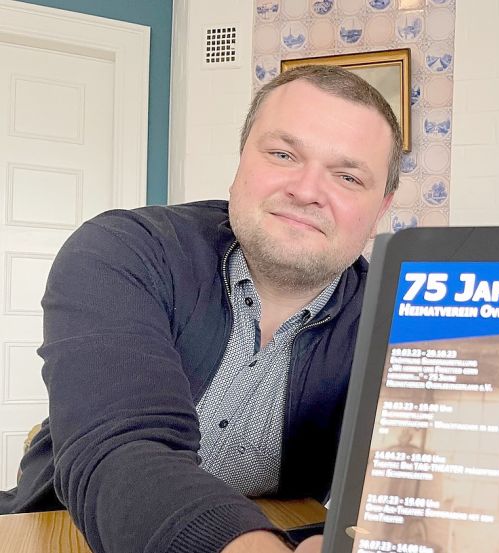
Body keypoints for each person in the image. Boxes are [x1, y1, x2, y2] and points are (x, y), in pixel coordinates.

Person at [0, 64, 399, 553]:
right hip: (62, 531)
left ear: (381, 207)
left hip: (280, 525)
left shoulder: (397, 317)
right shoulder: (121, 251)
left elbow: (415, 478)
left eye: (348, 176)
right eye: (282, 154)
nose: (307, 190)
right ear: (241, 164)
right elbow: (123, 452)